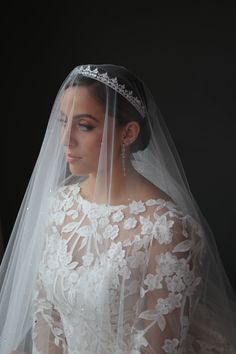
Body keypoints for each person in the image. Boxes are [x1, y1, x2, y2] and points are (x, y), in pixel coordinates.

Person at [0, 64, 236, 354]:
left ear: (128, 133)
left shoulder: (165, 229)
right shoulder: (58, 205)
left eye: (84, 125)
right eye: (63, 121)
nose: (65, 138)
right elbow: (46, 314)